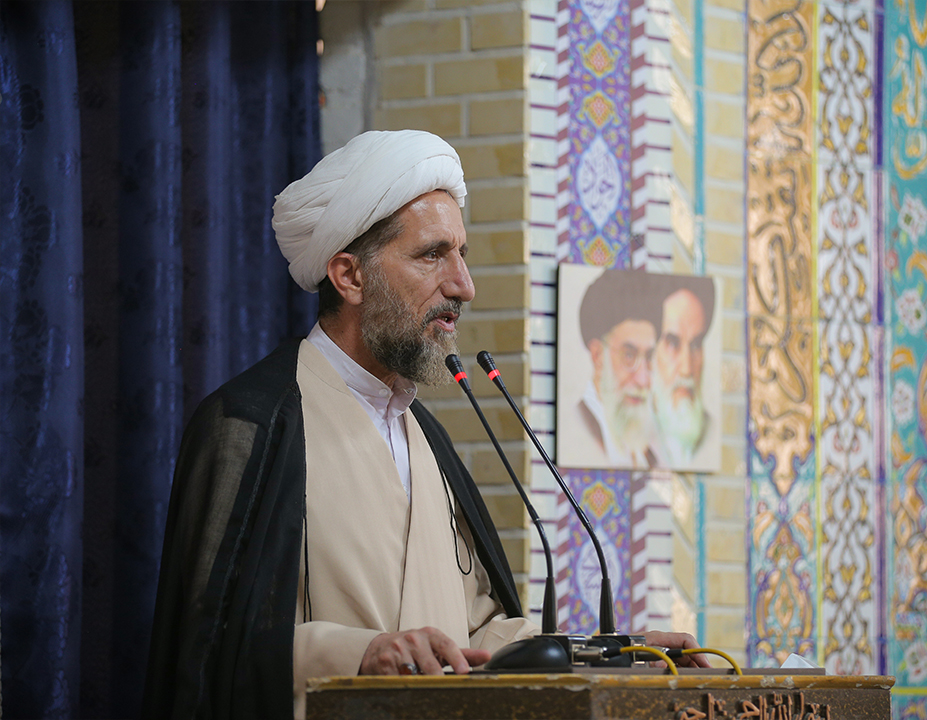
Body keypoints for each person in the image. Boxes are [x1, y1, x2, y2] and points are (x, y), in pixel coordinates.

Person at [143, 130, 705, 720]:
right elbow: (207, 648)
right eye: (432, 254)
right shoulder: (250, 424)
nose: (463, 285)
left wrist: (609, 655)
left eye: (462, 254)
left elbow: (475, 635)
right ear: (349, 276)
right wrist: (360, 654)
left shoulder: (428, 439)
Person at [560, 270, 664, 469]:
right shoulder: (578, 430)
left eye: (649, 357)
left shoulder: (645, 452)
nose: (643, 379)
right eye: (629, 356)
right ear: (598, 355)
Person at [651, 277, 714, 468]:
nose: (687, 369)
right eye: (673, 344)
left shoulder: (713, 434)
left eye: (695, 345)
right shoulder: (627, 440)